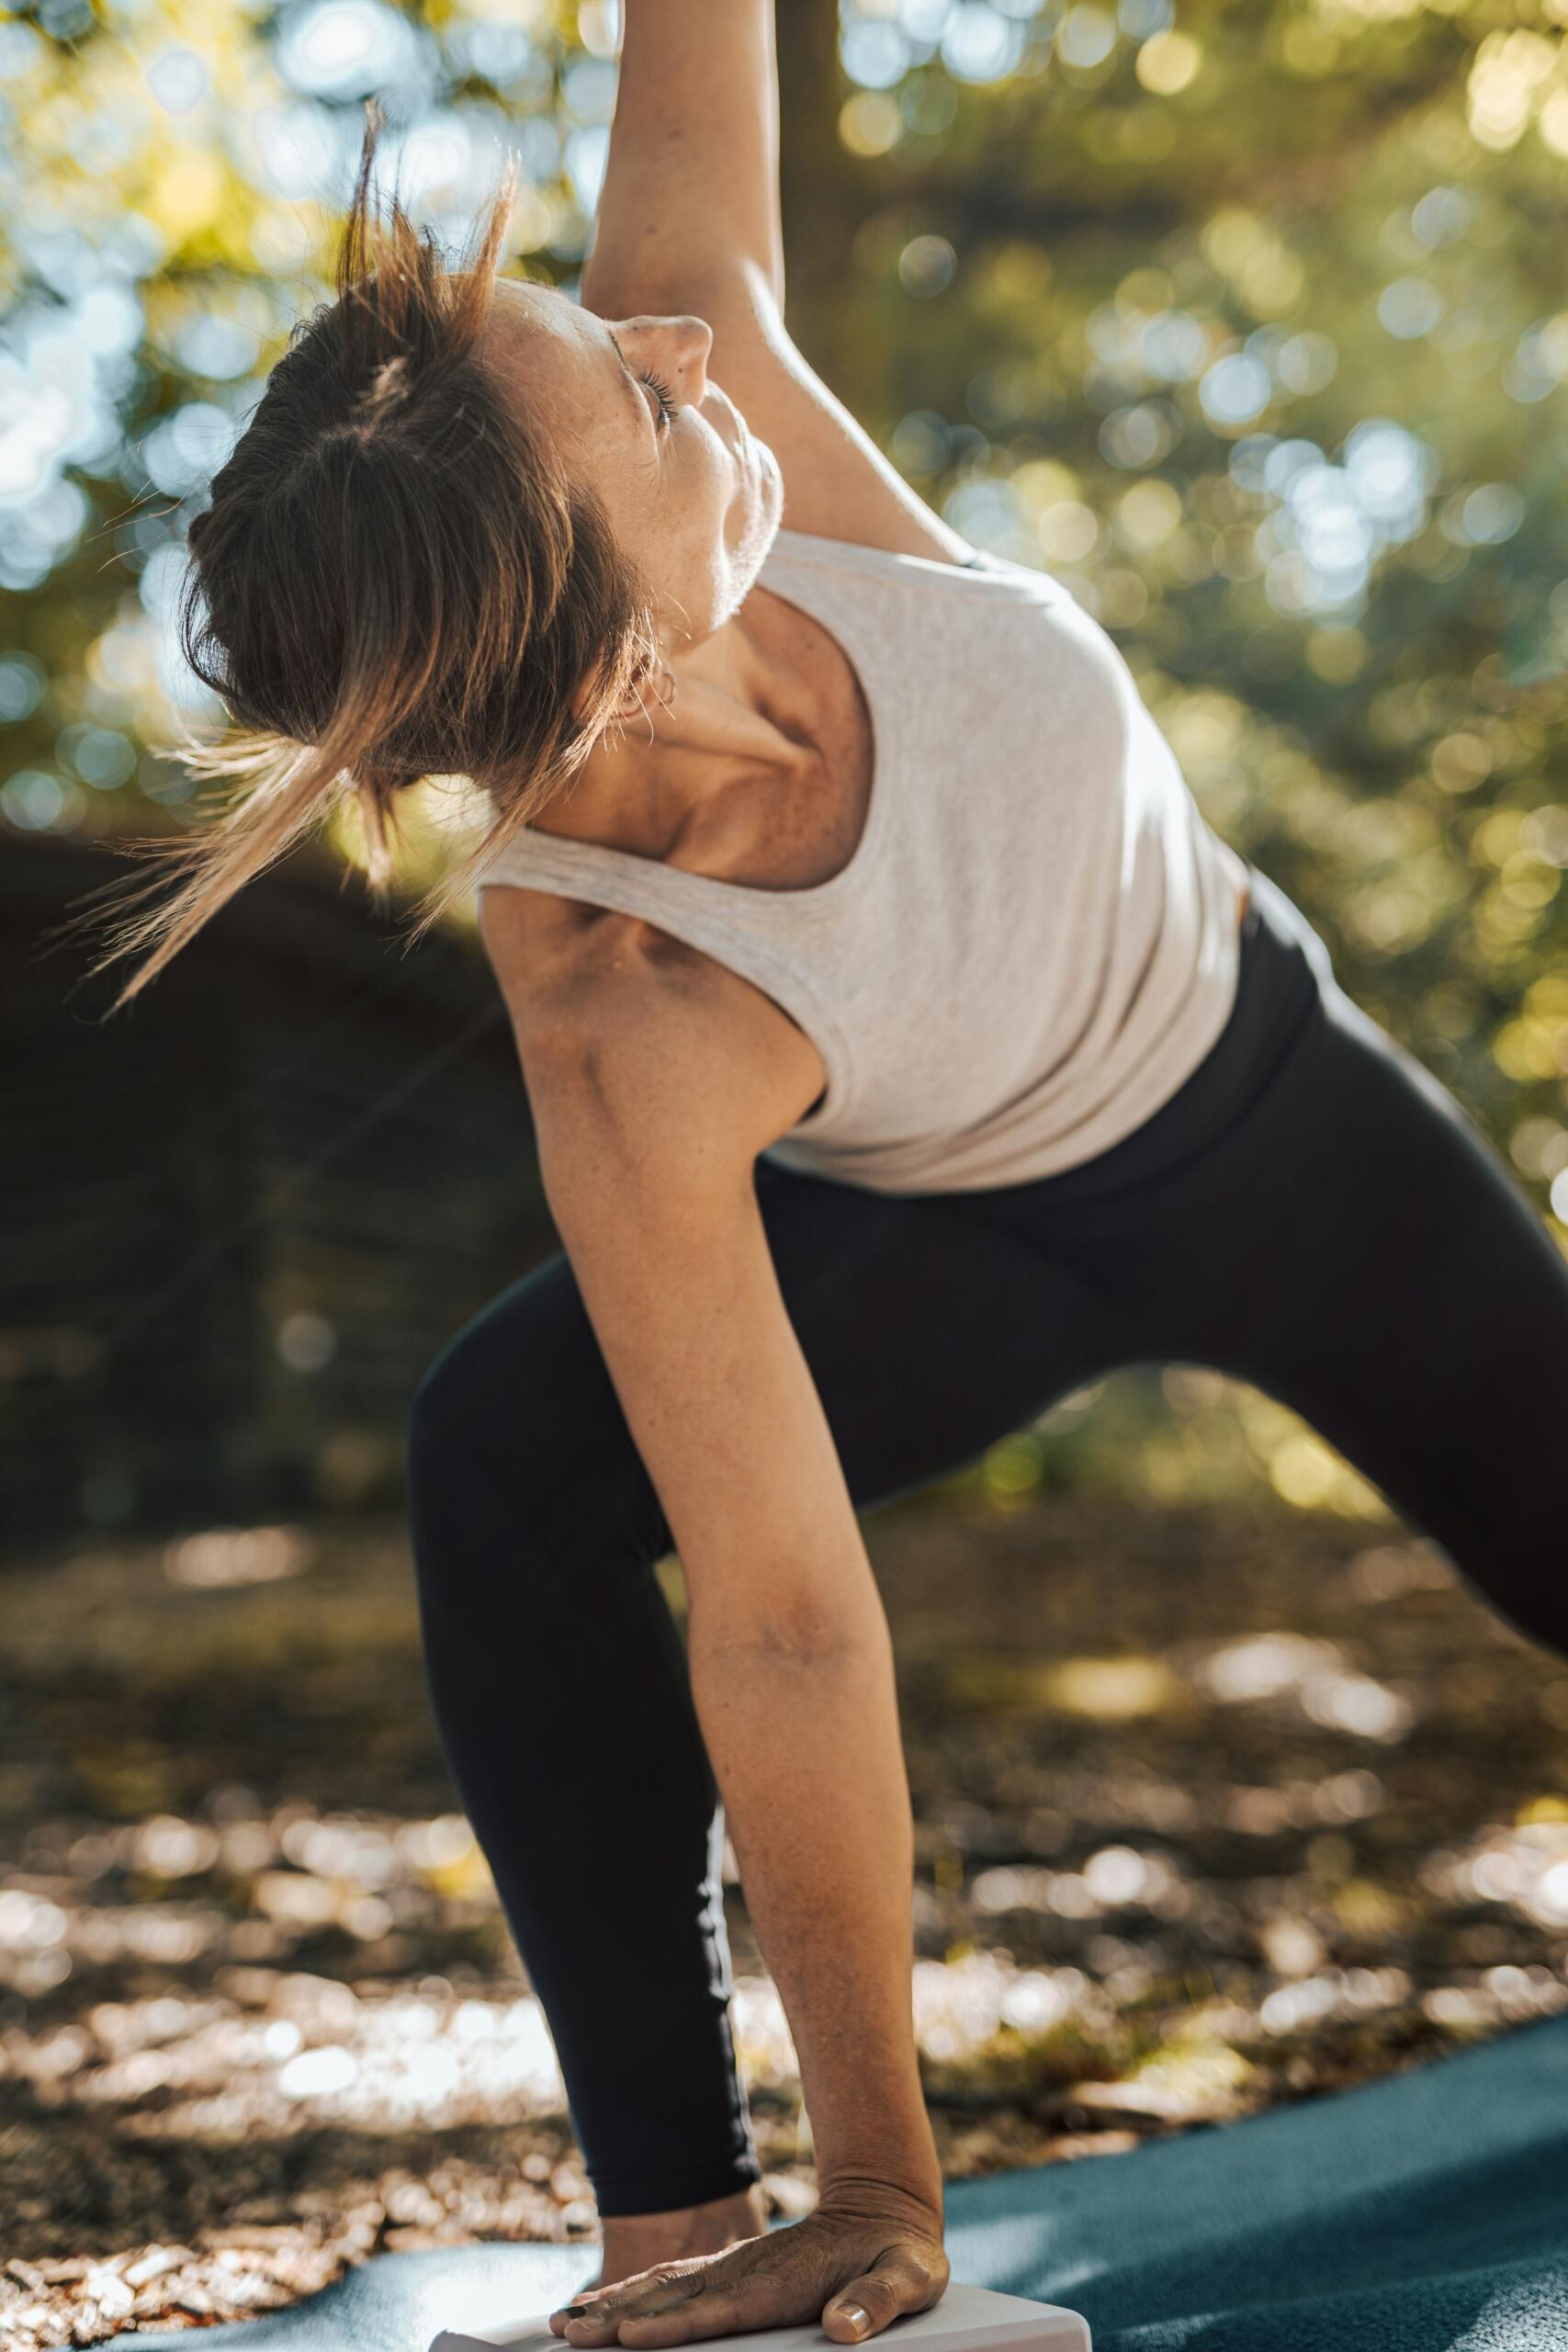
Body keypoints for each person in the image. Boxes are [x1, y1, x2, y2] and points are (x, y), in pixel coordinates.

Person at [72, 5, 1566, 2346]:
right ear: (595, 662)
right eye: (646, 401)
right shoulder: (616, 1004)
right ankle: (689, 2227)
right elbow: (778, 1611)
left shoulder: (717, 346)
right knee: (502, 1446)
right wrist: (885, 2181)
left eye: (637, 335)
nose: (678, 339)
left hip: (1266, 1112)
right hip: (948, 1223)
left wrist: (664, 359)